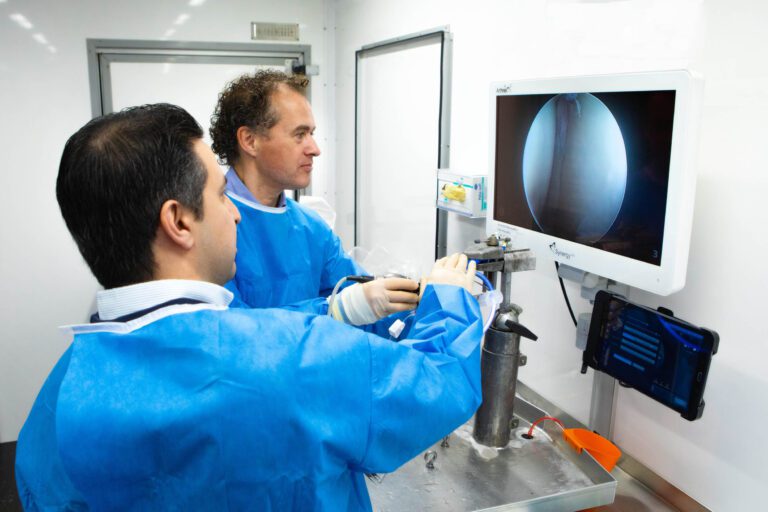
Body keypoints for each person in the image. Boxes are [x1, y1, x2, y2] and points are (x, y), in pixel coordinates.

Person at [15, 103, 482, 511]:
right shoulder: (298, 359)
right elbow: (436, 386)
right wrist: (451, 297)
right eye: (220, 195)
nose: (235, 212)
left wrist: (343, 310)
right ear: (178, 221)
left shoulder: (54, 405)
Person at [210, 70, 418, 325]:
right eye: (300, 134)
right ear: (250, 140)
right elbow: (227, 332)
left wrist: (423, 297)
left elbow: (365, 302)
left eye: (312, 133)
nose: (315, 149)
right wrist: (337, 311)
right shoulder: (205, 230)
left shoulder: (311, 227)